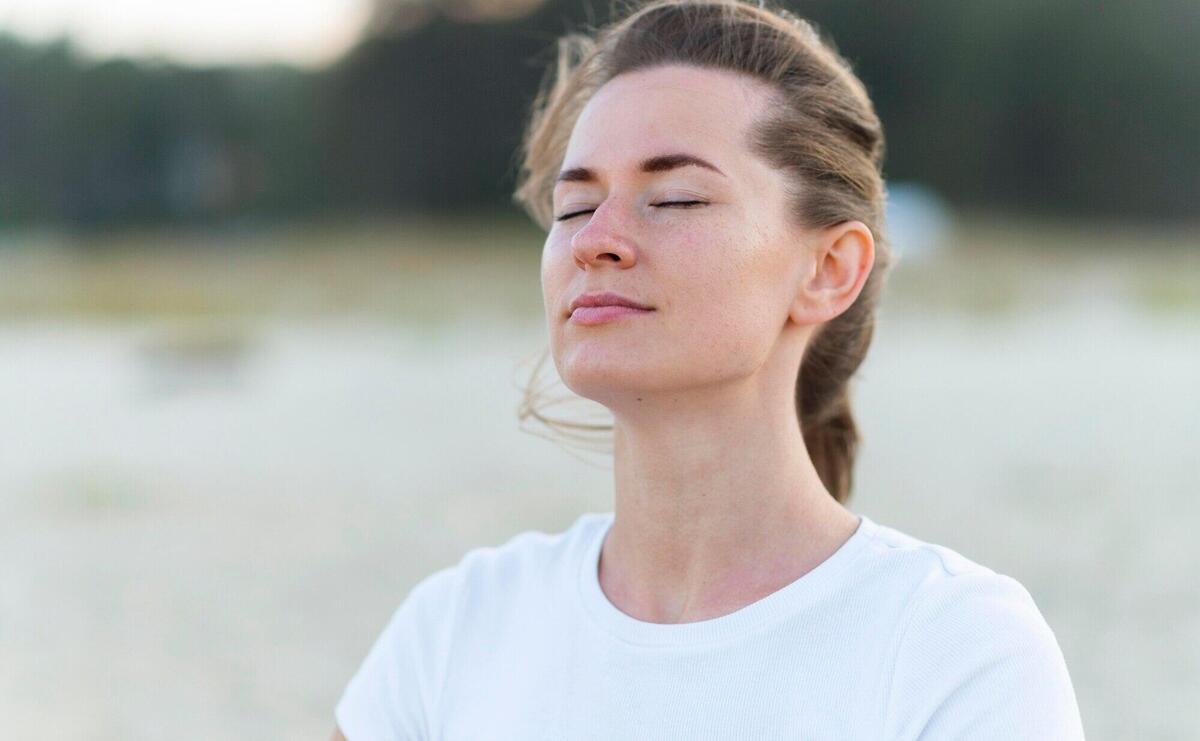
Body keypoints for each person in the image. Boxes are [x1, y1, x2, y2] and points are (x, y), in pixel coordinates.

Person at [332, 0, 1086, 738]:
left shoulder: (951, 648)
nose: (596, 240)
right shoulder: (459, 628)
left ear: (829, 268)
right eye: (573, 207)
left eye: (675, 198)